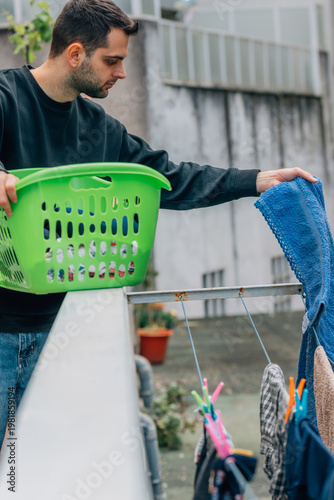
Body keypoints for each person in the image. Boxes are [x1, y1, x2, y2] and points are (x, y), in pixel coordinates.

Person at [0, 0, 317, 451]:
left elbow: (170, 177)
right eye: (113, 60)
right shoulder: (7, 99)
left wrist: (258, 180)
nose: (122, 72)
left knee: (39, 460)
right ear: (74, 54)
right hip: (4, 326)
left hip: (65, 324)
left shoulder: (97, 127)